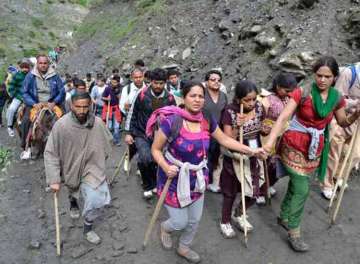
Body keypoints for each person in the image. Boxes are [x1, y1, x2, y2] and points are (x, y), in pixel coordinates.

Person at [149, 81, 266, 263]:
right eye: (192, 96)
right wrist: (165, 166)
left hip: (197, 178)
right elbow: (155, 149)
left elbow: (224, 140)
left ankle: (184, 247)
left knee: (194, 220)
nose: (197, 100)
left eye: (200, 96)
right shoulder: (172, 121)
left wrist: (252, 151)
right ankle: (166, 228)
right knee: (179, 221)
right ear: (184, 97)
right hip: (173, 177)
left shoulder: (206, 118)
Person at [263, 56, 360, 252]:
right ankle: (294, 231)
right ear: (314, 74)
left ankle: (283, 215)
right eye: (319, 75)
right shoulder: (303, 92)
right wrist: (270, 142)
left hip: (314, 149)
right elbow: (283, 118)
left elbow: (342, 123)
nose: (322, 80)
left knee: (296, 183)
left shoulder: (336, 98)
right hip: (293, 144)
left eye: (327, 76)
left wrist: (357, 113)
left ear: (334, 77)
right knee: (302, 188)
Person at [44, 91, 112, 245]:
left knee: (95, 199)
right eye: (78, 107)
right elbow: (51, 153)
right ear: (71, 106)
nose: (82, 111)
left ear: (90, 106)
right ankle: (73, 201)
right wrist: (54, 179)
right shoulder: (61, 126)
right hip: (70, 167)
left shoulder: (98, 123)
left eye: (85, 107)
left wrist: (99, 162)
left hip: (92, 168)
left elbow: (107, 143)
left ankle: (88, 228)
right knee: (73, 187)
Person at [219, 80, 267, 238]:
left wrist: (266, 130)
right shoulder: (229, 112)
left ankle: (239, 213)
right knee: (230, 192)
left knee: (255, 190)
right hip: (235, 157)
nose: (252, 103)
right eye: (247, 100)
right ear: (238, 99)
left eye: (254, 99)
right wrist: (237, 126)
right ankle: (225, 221)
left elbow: (261, 128)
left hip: (254, 155)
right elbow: (227, 139)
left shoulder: (259, 107)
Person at [125, 68, 176, 199]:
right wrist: (129, 133)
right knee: (145, 158)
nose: (158, 86)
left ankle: (153, 183)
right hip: (142, 133)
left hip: (160, 135)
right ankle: (147, 186)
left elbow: (174, 117)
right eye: (155, 83)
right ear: (151, 82)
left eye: (161, 83)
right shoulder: (142, 95)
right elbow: (133, 114)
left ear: (165, 83)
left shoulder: (169, 98)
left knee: (155, 160)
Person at [321, 63, 360, 199]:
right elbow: (336, 98)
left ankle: (339, 176)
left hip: (357, 121)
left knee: (355, 154)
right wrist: (355, 104)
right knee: (334, 153)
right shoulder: (349, 74)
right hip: (341, 118)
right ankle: (327, 184)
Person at [260, 72, 298, 198]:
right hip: (266, 137)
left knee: (276, 165)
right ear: (277, 86)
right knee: (263, 164)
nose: (289, 93)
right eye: (286, 90)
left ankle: (269, 184)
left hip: (283, 138)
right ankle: (259, 191)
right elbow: (258, 119)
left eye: (291, 91)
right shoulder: (265, 99)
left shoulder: (289, 99)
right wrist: (263, 127)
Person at [21, 54, 65, 157]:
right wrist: (34, 103)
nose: (43, 65)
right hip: (36, 103)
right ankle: (25, 146)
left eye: (45, 63)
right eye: (40, 63)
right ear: (37, 63)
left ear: (48, 64)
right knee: (26, 121)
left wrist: (54, 102)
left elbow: (62, 91)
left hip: (52, 103)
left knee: (65, 119)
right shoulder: (30, 76)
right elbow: (25, 92)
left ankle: (65, 144)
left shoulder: (55, 75)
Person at [202, 70, 228, 193]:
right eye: (213, 79)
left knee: (216, 156)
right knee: (204, 156)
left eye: (218, 80)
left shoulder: (223, 96)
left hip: (218, 132)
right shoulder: (202, 95)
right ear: (207, 82)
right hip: (204, 131)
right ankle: (201, 180)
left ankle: (211, 180)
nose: (216, 82)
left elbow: (226, 114)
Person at [6, 59, 31, 137]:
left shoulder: (31, 76)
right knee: (12, 109)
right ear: (20, 68)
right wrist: (15, 95)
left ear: (29, 68)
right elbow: (11, 86)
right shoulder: (16, 75)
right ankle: (9, 126)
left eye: (26, 67)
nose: (25, 69)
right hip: (19, 97)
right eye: (23, 67)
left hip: (29, 97)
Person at [102, 76, 122, 145]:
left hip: (116, 110)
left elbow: (120, 98)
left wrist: (119, 97)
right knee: (109, 127)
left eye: (115, 82)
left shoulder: (119, 89)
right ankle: (109, 140)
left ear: (118, 83)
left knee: (116, 127)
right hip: (109, 109)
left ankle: (116, 141)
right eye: (113, 82)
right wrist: (107, 99)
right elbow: (103, 97)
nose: (114, 83)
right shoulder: (107, 89)